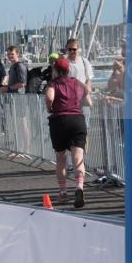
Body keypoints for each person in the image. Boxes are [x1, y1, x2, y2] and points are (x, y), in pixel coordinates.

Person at [45, 57, 91, 209]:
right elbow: (88, 101)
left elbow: (49, 97)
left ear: (56, 70)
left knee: (61, 158)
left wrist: (49, 107)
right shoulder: (76, 82)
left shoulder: (53, 83)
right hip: (77, 119)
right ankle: (79, 187)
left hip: (59, 121)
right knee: (78, 158)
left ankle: (63, 192)